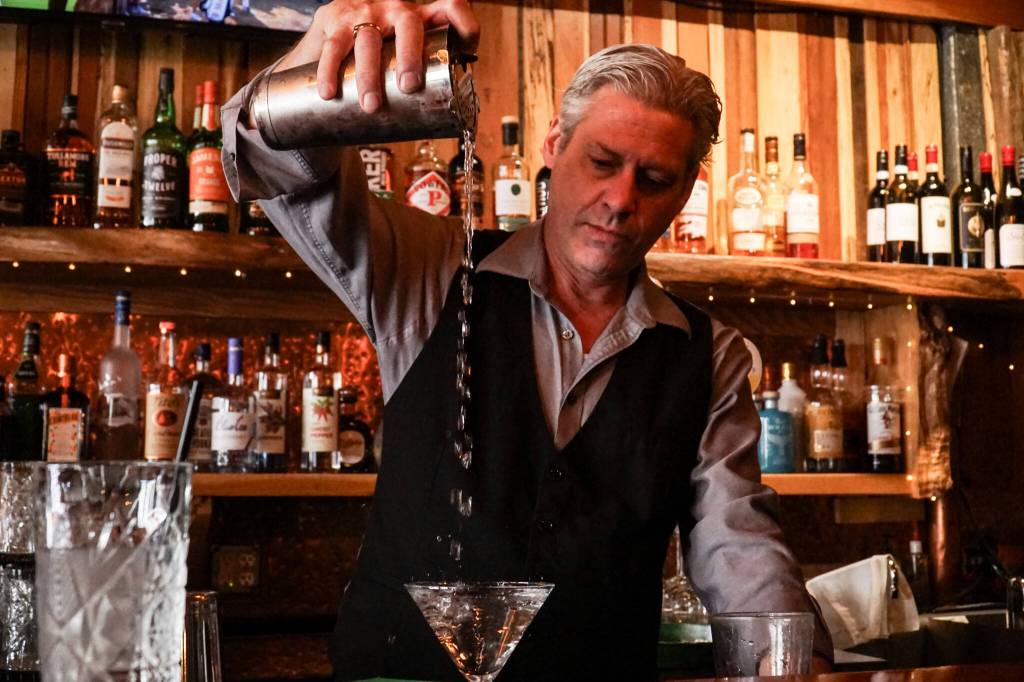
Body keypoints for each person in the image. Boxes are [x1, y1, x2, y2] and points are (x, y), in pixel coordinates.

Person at [221, 1, 834, 678]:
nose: (621, 199)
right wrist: (316, 56)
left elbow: (738, 548)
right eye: (602, 161)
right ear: (553, 146)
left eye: (655, 179)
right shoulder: (430, 273)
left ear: (688, 189)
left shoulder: (706, 354)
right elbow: (267, 166)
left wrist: (788, 660)